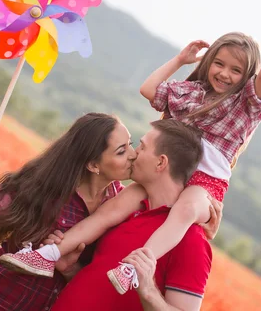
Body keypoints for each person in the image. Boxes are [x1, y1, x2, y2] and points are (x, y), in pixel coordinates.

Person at [0, 4, 261, 295]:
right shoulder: (193, 93)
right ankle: (47, 254)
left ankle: (134, 267)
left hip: (205, 186)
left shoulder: (244, 105)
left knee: (184, 210)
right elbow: (149, 89)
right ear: (208, 63)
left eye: (236, 70)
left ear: (246, 76)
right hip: (168, 173)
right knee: (112, 209)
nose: (224, 74)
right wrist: (180, 60)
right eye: (219, 64)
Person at [0, 113, 222, 311]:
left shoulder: (121, 207)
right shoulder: (50, 188)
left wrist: (67, 267)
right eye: (123, 150)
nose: (133, 154)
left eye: (135, 145)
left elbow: (88, 274)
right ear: (93, 164)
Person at [51, 119, 213, 311]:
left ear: (161, 162)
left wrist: (148, 291)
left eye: (142, 147)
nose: (134, 153)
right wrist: (71, 270)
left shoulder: (190, 239)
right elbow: (101, 286)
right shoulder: (126, 212)